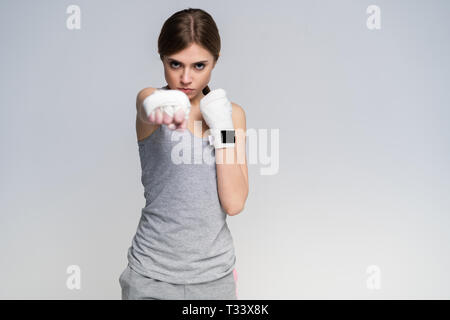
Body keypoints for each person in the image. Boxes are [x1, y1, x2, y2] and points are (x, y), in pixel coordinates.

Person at [119, 8, 249, 300]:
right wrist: (156, 104)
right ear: (162, 58)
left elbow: (234, 202)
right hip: (151, 273)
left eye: (199, 66)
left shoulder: (232, 116)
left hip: (214, 277)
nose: (186, 78)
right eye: (175, 64)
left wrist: (223, 128)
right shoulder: (154, 104)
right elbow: (144, 102)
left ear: (215, 61)